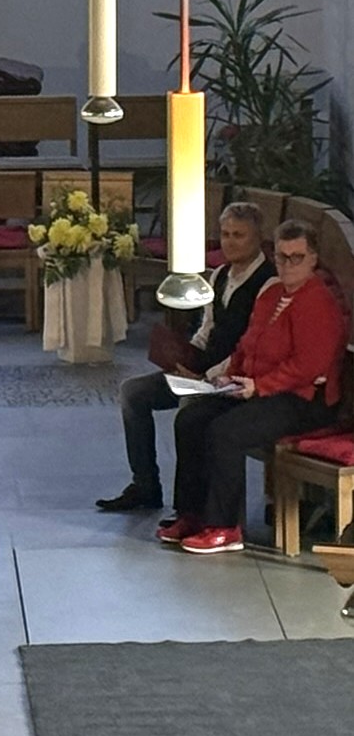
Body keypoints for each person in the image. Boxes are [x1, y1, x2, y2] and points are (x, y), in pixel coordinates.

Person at [160, 219, 347, 554]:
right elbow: (247, 344)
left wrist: (258, 386)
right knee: (191, 419)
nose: (288, 265)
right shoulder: (272, 293)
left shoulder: (319, 301)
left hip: (305, 399)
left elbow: (308, 366)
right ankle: (192, 514)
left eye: (296, 257)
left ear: (313, 259)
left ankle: (224, 526)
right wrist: (230, 375)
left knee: (226, 431)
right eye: (281, 257)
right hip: (259, 388)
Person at [97, 202, 277, 512]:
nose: (230, 241)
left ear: (258, 238)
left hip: (236, 379)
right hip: (203, 371)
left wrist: (207, 377)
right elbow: (207, 329)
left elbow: (252, 346)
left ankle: (192, 508)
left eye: (239, 235)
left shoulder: (268, 283)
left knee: (191, 408)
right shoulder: (219, 274)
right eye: (225, 234)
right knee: (133, 392)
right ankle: (145, 485)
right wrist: (185, 359)